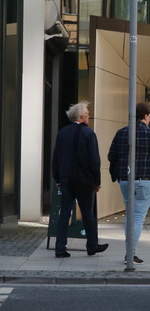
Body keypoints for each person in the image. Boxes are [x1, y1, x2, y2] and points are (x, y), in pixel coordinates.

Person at [108, 102, 150, 264]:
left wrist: (116, 175)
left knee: (130, 216)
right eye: (149, 116)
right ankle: (130, 254)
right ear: (145, 116)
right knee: (137, 218)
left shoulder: (121, 133)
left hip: (125, 180)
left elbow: (111, 156)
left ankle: (130, 252)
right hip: (144, 181)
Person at [51, 102, 108, 258]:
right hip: (83, 179)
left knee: (64, 213)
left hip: (66, 178)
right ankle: (92, 245)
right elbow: (94, 160)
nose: (89, 115)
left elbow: (56, 157)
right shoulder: (89, 133)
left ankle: (60, 248)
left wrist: (57, 178)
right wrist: (97, 181)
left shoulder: (62, 133)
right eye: (88, 113)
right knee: (88, 213)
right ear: (82, 116)